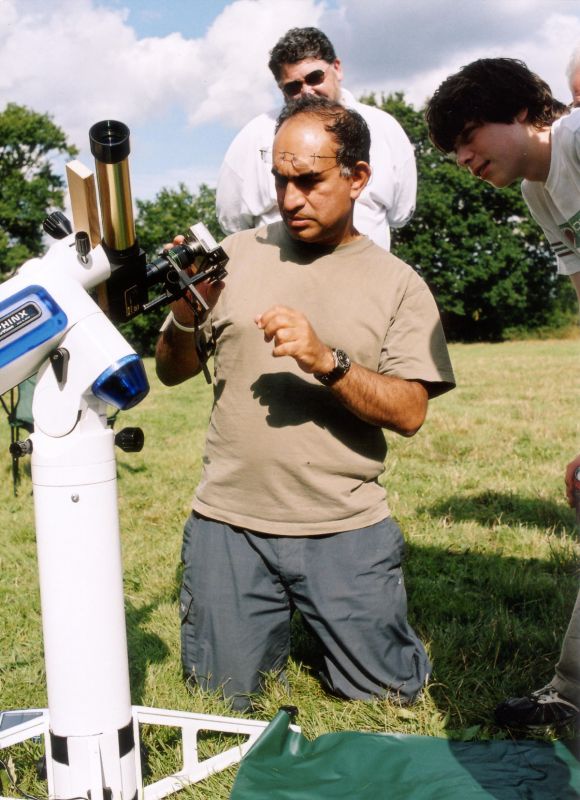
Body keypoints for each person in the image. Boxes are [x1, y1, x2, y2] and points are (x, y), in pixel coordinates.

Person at [156, 96, 455, 712]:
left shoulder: (399, 284)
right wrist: (187, 312)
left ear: (358, 177)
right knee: (220, 702)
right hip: (230, 524)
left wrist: (328, 361)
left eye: (310, 180)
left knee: (390, 699)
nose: (291, 199)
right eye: (281, 179)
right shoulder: (233, 257)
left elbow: (409, 414)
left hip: (343, 525)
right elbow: (171, 371)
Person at [425, 57, 580, 729]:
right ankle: (571, 697)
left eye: (468, 136)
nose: (462, 158)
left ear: (520, 111)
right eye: (451, 151)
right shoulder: (538, 191)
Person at [216, 26, 416, 251]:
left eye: (314, 78)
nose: (307, 91)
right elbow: (231, 221)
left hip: (368, 278)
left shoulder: (386, 128)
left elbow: (401, 212)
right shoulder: (252, 137)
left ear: (337, 68)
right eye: (293, 86)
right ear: (281, 89)